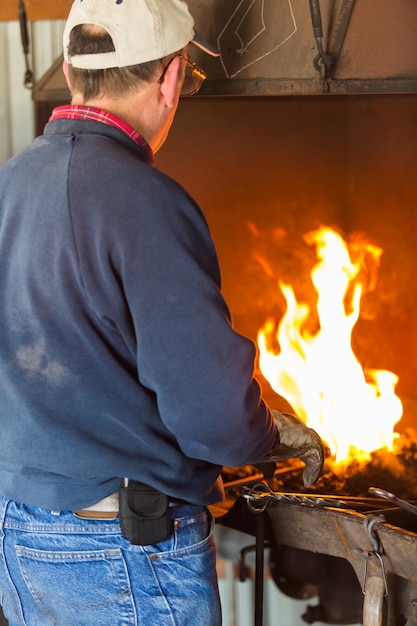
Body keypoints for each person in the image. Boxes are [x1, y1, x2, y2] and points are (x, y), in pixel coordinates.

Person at [0, 0, 324, 624]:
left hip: (19, 532)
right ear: (171, 78)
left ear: (71, 72)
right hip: (119, 553)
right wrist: (268, 431)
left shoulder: (10, 186)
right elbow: (215, 417)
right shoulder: (147, 202)